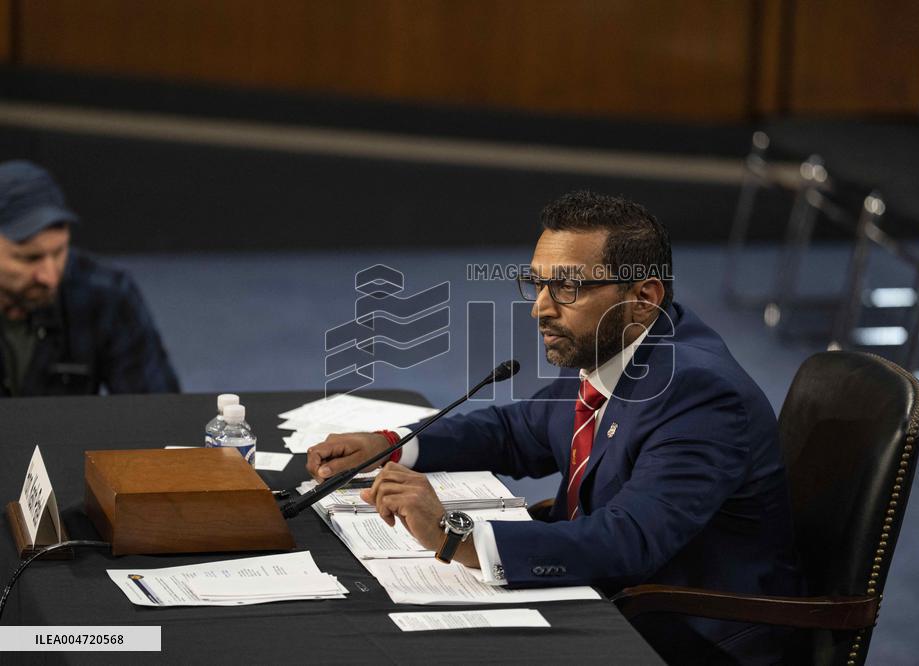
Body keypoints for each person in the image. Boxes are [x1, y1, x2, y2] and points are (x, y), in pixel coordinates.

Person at [307, 191, 801, 663]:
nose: (540, 307)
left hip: (683, 638)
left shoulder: (698, 394)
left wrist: (453, 536)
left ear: (645, 297)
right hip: (610, 600)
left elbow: (627, 540)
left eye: (567, 287)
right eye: (538, 284)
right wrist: (392, 447)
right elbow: (519, 430)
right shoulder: (611, 344)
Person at [0, 160, 179, 396]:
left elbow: (157, 411)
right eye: (29, 259)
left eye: (58, 252)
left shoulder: (107, 293)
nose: (50, 277)